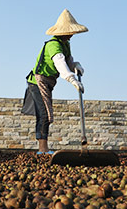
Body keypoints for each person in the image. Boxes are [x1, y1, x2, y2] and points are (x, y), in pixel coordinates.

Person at [22, 9, 87, 155]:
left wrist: (76, 65)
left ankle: (43, 148)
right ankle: (42, 150)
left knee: (45, 113)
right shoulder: (53, 45)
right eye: (69, 32)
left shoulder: (65, 44)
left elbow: (68, 60)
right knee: (44, 114)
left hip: (48, 82)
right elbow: (59, 62)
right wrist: (72, 79)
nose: (71, 35)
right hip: (37, 82)